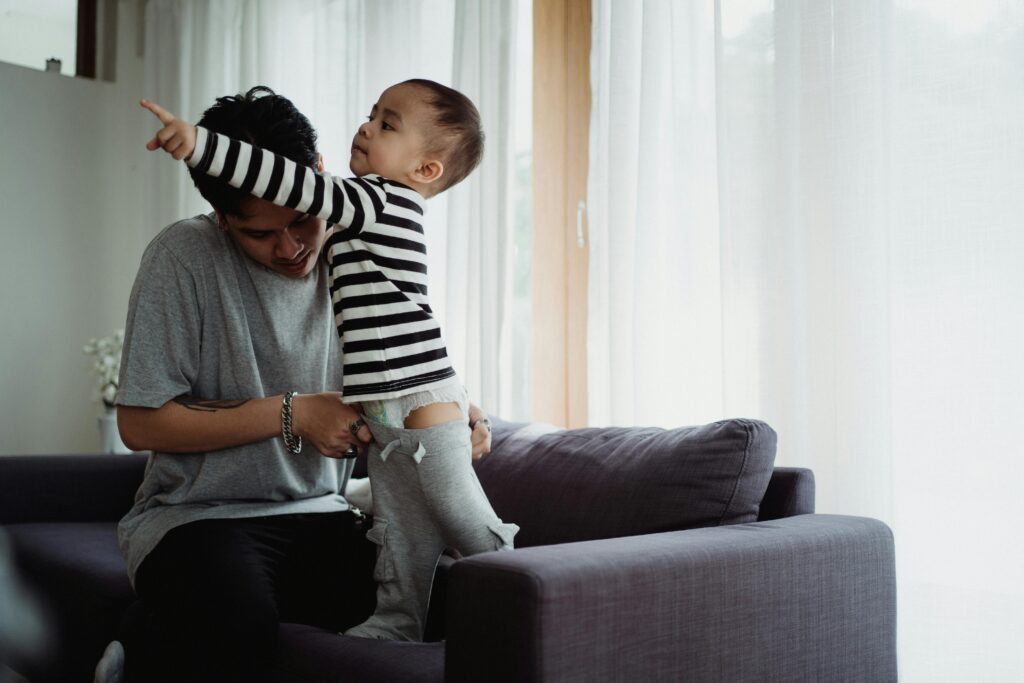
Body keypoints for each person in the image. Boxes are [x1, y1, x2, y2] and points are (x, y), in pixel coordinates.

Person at [112, 87, 493, 682]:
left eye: (300, 220)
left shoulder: (360, 240)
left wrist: (462, 410)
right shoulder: (182, 257)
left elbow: (405, 345)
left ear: (316, 175)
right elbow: (138, 424)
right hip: (197, 518)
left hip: (325, 512)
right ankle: (142, 647)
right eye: (258, 234)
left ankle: (154, 634)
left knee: (463, 608)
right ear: (221, 216)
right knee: (239, 623)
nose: (291, 249)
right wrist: (292, 413)